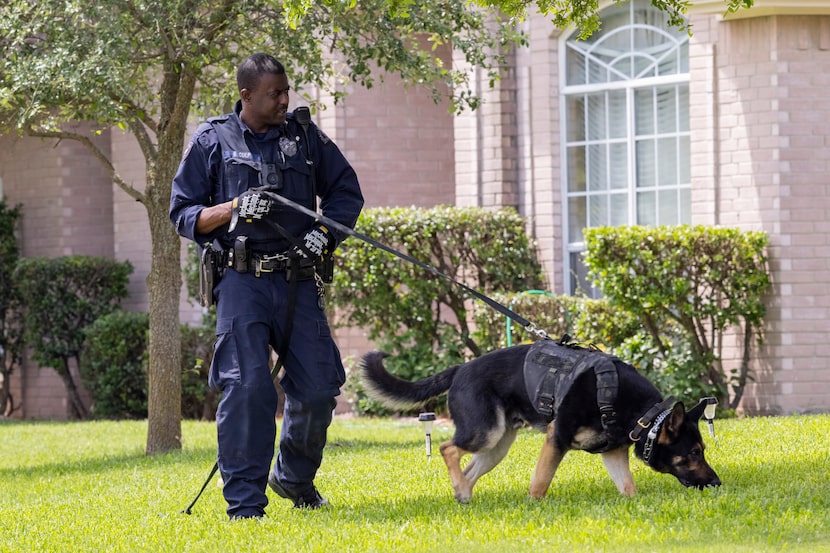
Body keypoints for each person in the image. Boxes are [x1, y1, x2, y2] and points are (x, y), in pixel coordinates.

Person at [169, 53, 364, 519]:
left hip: (298, 279)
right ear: (246, 95)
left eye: (286, 91)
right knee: (248, 387)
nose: (284, 100)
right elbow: (183, 213)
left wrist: (324, 235)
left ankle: (293, 478)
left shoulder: (305, 138)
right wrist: (234, 207)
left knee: (318, 389)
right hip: (242, 283)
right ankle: (245, 505)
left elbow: (345, 192)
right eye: (275, 93)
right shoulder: (212, 141)